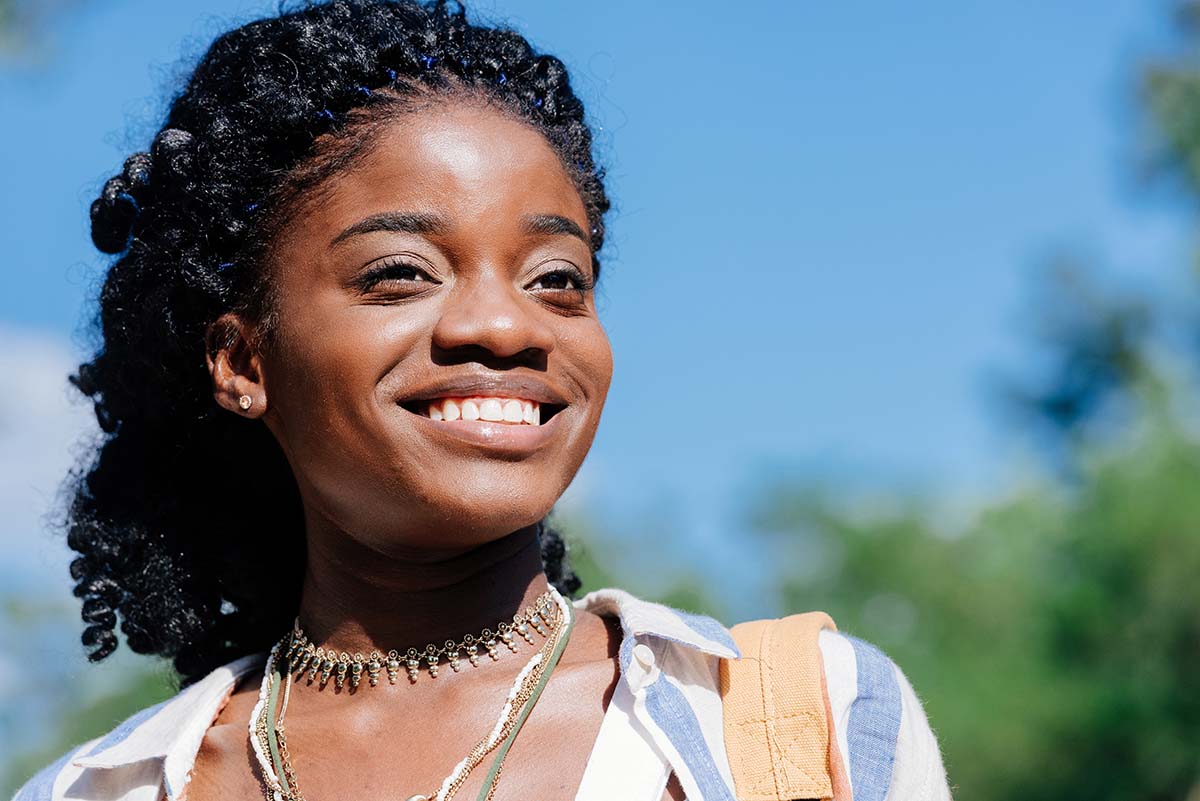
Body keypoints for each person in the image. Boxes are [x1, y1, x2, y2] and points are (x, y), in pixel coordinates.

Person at [12, 2, 952, 800]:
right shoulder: (107, 788)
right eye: (402, 273)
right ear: (244, 362)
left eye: (557, 279)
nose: (507, 327)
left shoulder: (797, 723)